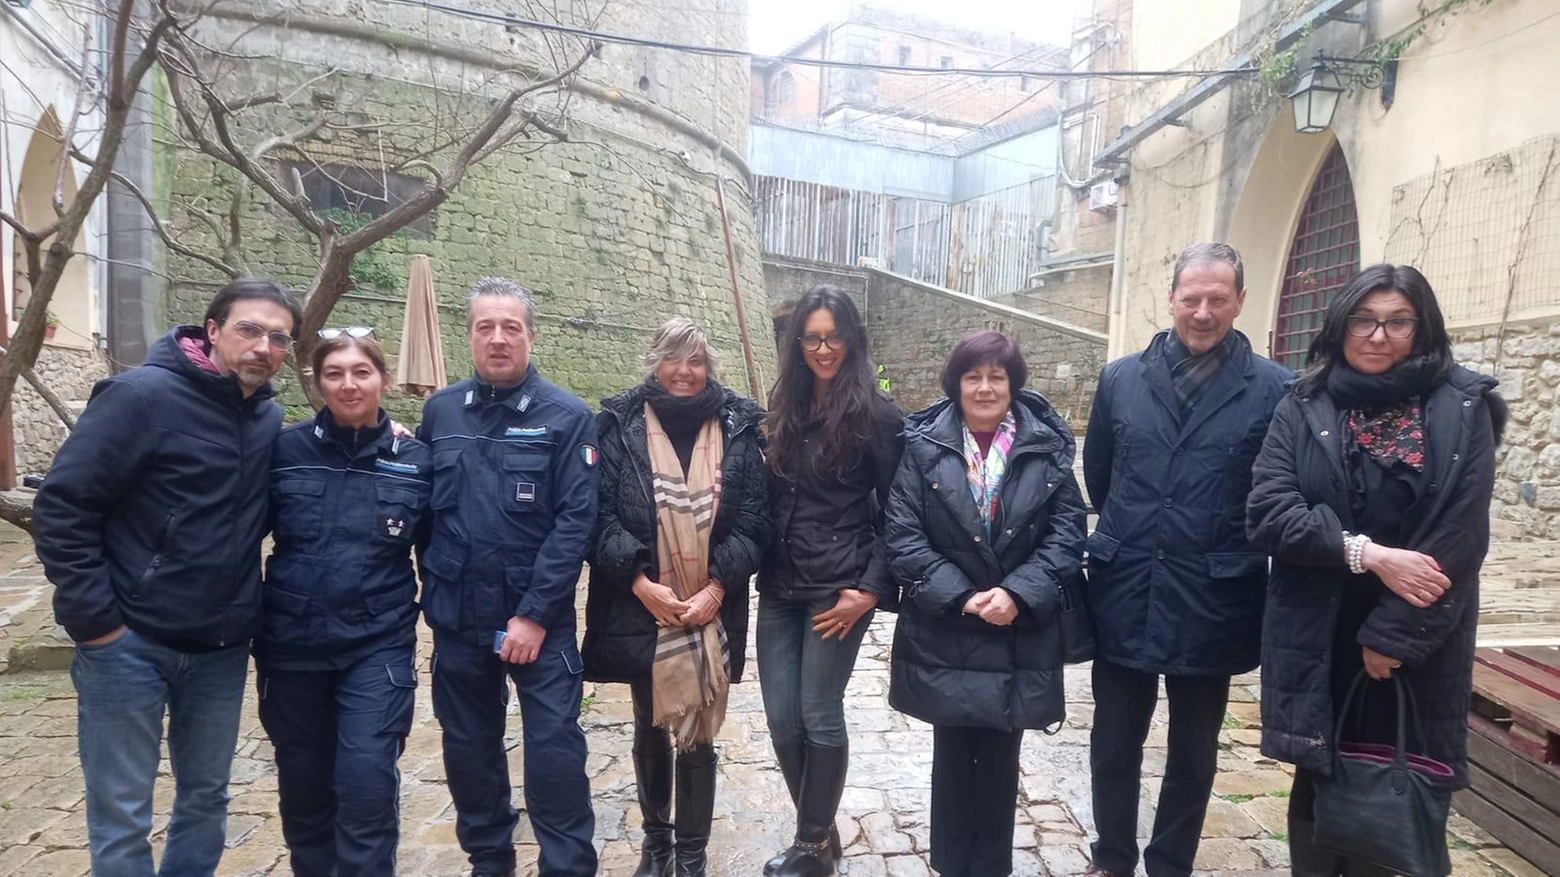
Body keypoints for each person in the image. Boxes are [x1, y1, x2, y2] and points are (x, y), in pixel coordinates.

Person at [34, 278, 301, 877]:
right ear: (211, 331)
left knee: (206, 800)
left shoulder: (265, 416)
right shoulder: (139, 397)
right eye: (250, 330)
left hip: (221, 648)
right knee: (123, 812)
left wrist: (386, 435)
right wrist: (96, 622)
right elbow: (63, 505)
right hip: (129, 645)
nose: (264, 346)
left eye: (278, 337)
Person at [1246, 264, 1502, 875]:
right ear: (1340, 326)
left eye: (1397, 322)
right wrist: (1369, 554)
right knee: (1318, 783)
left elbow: (1461, 536)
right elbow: (1269, 512)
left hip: (1414, 635)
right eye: (1363, 319)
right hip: (1319, 631)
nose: (1378, 335)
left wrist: (1390, 639)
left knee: (1399, 786)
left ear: (1422, 328)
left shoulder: (1464, 408)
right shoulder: (1304, 403)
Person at [1081, 243, 1291, 877]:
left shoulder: (1274, 389)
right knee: (1113, 742)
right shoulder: (1121, 379)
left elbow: (1274, 489)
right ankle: (1112, 858)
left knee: (1194, 753)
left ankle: (1169, 864)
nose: (1203, 312)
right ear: (1170, 298)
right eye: (1191, 298)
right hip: (1127, 585)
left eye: (1217, 299)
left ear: (1239, 302)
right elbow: (1101, 475)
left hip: (1215, 595)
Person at [885, 331, 1087, 877]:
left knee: (1001, 762)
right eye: (973, 376)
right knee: (950, 763)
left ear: (1012, 383)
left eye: (996, 376)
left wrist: (1019, 592)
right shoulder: (923, 446)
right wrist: (965, 597)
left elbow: (1068, 534)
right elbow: (903, 535)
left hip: (1016, 630)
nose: (984, 387)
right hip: (949, 626)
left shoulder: (1044, 445)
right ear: (956, 383)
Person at [416, 277, 600, 877]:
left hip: (538, 623)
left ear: (530, 335)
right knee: (469, 755)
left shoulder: (568, 417)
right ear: (469, 334)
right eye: (485, 327)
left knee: (553, 755)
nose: (498, 339)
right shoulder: (439, 412)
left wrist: (533, 614)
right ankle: (488, 862)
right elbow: (418, 505)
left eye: (510, 327)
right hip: (458, 620)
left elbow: (576, 523)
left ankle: (566, 867)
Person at [583, 317, 770, 877]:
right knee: (648, 725)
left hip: (709, 604)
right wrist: (640, 583)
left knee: (698, 735)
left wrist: (718, 586)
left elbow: (757, 521)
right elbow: (599, 516)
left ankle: (691, 854)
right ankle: (655, 843)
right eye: (673, 359)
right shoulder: (618, 426)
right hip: (643, 600)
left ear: (709, 366)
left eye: (695, 361)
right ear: (655, 362)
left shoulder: (738, 428)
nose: (684, 372)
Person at [256, 328, 432, 876]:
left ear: (383, 380)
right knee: (305, 794)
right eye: (334, 374)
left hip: (375, 646)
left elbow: (444, 550)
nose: (348, 384)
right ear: (316, 380)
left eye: (361, 373)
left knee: (366, 787)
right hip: (292, 649)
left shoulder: (417, 460)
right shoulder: (283, 450)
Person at [757, 286, 903, 877]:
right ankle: (819, 833)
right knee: (779, 716)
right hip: (780, 584)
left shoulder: (876, 414)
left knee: (818, 711)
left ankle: (813, 847)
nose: (823, 348)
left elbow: (901, 512)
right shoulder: (782, 405)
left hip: (839, 588)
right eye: (812, 338)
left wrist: (868, 589)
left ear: (852, 340)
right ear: (798, 343)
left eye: (834, 337)